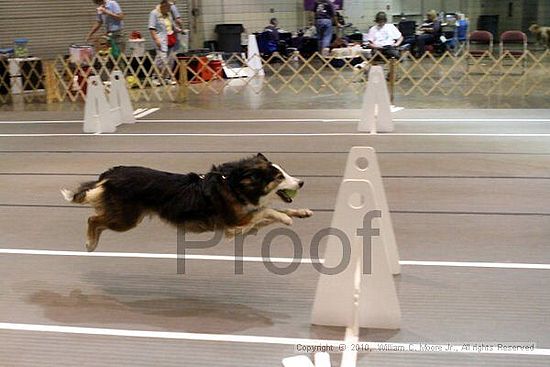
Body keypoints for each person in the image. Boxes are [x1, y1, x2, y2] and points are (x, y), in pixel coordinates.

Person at [149, 0, 181, 84]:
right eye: (169, 6)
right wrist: (156, 39)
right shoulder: (154, 13)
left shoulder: (168, 14)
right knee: (160, 60)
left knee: (171, 60)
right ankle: (155, 77)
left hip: (170, 38)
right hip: (161, 39)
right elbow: (152, 28)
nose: (170, 8)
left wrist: (179, 29)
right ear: (163, 5)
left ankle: (167, 77)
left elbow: (172, 25)